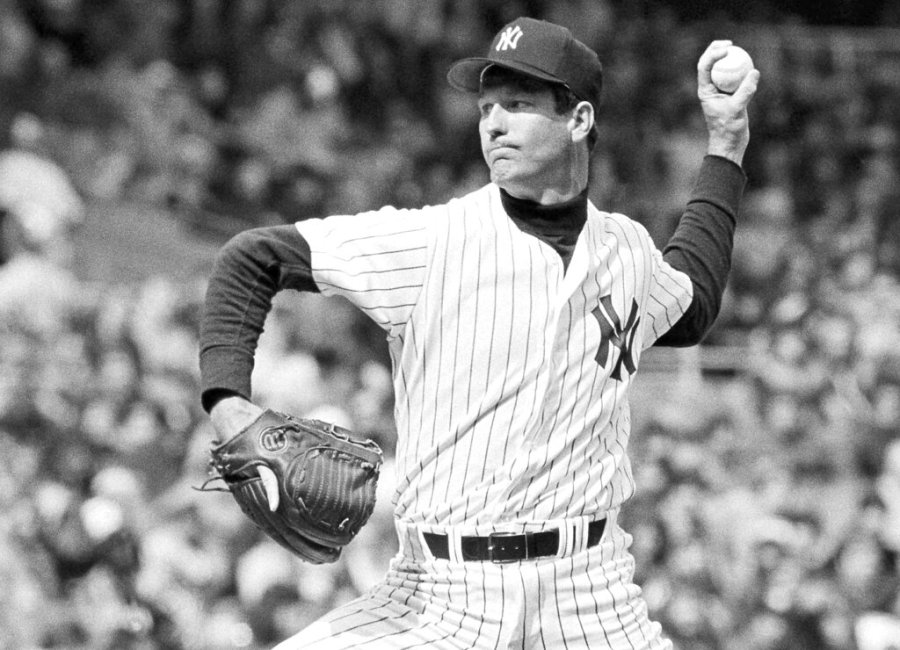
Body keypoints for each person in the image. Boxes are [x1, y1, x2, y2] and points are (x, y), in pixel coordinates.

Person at [199, 16, 759, 649]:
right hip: (439, 595)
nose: (492, 123)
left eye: (517, 105)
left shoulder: (626, 249)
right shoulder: (433, 239)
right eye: (487, 107)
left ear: (578, 120)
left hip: (591, 595)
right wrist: (227, 405)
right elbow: (251, 258)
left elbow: (692, 302)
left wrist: (727, 142)